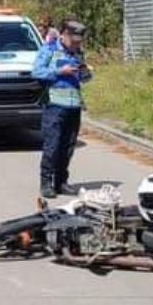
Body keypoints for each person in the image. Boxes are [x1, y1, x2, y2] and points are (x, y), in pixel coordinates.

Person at [33, 20, 92, 198]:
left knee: (68, 146)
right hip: (54, 105)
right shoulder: (49, 50)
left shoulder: (78, 53)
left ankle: (61, 182)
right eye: (73, 40)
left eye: (79, 41)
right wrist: (60, 72)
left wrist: (85, 72)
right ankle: (46, 183)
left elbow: (84, 79)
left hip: (74, 104)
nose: (76, 44)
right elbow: (36, 72)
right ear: (64, 34)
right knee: (53, 145)